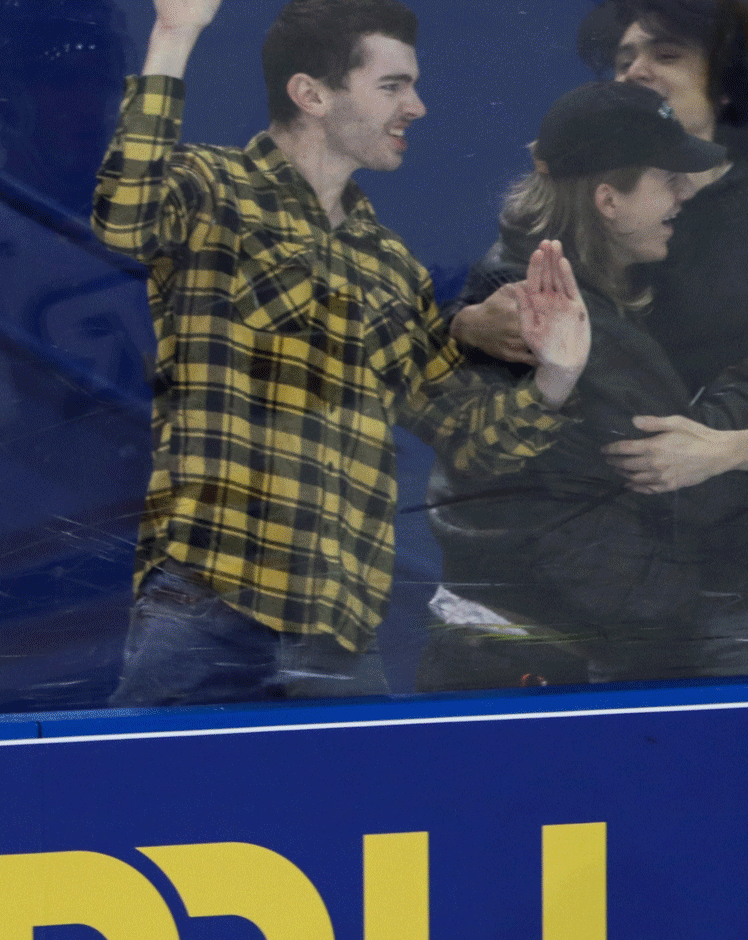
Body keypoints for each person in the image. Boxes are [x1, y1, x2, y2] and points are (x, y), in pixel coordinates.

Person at [91, 0, 586, 706]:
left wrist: (558, 371)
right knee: (150, 810)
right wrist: (175, 35)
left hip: (339, 636)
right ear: (311, 94)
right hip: (210, 606)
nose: (416, 106)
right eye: (393, 85)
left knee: (359, 813)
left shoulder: (392, 267)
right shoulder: (211, 189)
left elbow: (475, 443)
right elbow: (123, 216)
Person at [453, 0, 748, 672]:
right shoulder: (563, 238)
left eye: (665, 55)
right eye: (623, 60)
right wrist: (467, 323)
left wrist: (738, 448)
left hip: (744, 591)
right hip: (586, 599)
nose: (636, 71)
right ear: (607, 201)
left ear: (731, 84)